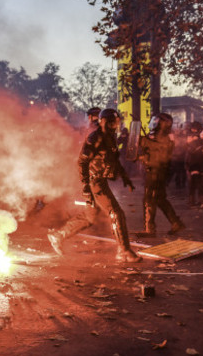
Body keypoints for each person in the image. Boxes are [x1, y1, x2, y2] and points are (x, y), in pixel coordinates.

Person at [47, 108, 141, 263]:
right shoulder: (95, 138)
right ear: (105, 122)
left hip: (100, 180)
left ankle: (58, 236)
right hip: (94, 181)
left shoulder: (110, 137)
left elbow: (114, 159)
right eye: (113, 123)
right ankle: (124, 251)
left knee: (89, 217)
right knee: (116, 212)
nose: (115, 126)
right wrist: (85, 187)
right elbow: (82, 162)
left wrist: (125, 177)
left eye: (117, 123)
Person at [136, 113, 185, 237]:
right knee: (160, 199)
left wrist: (142, 141)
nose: (153, 122)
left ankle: (149, 229)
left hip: (156, 172)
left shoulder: (163, 138)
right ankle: (176, 222)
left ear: (162, 124)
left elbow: (157, 153)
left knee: (149, 199)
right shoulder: (158, 137)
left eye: (156, 120)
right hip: (158, 172)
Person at [185, 122, 203, 206]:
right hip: (195, 163)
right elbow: (189, 152)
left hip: (200, 163)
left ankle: (198, 199)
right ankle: (193, 200)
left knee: (200, 183)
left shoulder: (201, 139)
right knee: (194, 183)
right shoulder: (192, 139)